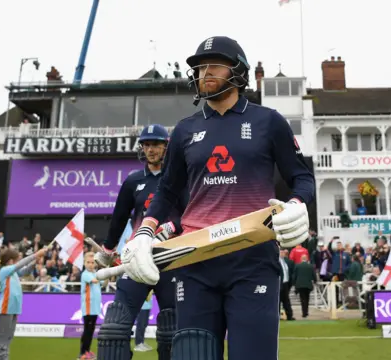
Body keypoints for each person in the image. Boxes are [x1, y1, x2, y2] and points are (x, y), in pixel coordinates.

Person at [122, 36, 314, 359]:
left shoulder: (269, 122)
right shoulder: (184, 131)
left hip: (253, 259)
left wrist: (297, 205)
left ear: (238, 71)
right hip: (195, 262)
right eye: (199, 67)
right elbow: (167, 191)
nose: (204, 72)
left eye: (214, 65)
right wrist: (145, 232)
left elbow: (302, 178)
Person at [94, 124, 188, 360]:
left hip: (171, 259)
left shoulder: (181, 178)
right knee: (114, 329)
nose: (151, 149)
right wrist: (107, 250)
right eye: (146, 144)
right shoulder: (132, 181)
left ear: (166, 147)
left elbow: (192, 212)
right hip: (136, 260)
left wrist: (172, 226)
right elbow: (118, 219)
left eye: (156, 144)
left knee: (172, 331)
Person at [0, 246, 47, 360]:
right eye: (17, 259)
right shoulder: (5, 270)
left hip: (14, 308)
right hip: (6, 307)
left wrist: (36, 260)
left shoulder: (12, 271)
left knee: (9, 337)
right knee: (4, 337)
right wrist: (35, 254)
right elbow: (20, 265)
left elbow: (25, 270)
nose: (18, 261)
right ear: (10, 260)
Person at [79, 252, 102, 360]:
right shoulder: (86, 274)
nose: (90, 264)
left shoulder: (94, 273)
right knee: (87, 330)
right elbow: (96, 280)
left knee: (90, 330)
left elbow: (103, 282)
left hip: (95, 307)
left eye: (92, 262)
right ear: (84, 263)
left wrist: (105, 276)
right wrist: (105, 273)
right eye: (88, 262)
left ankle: (87, 351)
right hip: (88, 307)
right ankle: (83, 352)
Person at [293, 254, 316, 318]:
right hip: (308, 285)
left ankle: (304, 313)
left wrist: (293, 283)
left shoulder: (297, 266)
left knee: (302, 299)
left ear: (301, 259)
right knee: (307, 298)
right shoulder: (310, 266)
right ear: (307, 259)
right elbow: (314, 275)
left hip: (300, 285)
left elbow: (294, 276)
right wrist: (315, 281)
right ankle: (306, 312)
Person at [279, 248, 294, 321]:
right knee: (278, 301)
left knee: (286, 301)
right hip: (279, 284)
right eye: (281, 252)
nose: (282, 254)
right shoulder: (276, 262)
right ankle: (277, 317)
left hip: (286, 284)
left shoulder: (286, 262)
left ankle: (289, 316)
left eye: (283, 253)